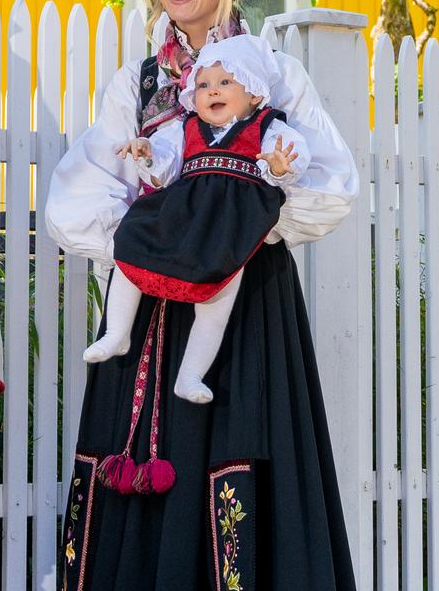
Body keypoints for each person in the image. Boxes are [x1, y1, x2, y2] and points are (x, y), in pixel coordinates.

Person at [38, 0, 369, 591]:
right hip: (151, 311)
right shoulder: (137, 82)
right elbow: (84, 189)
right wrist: (151, 238)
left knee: (233, 489)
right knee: (168, 493)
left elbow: (327, 182)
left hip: (243, 305)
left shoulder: (277, 73)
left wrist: (240, 222)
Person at [81, 35, 306, 408]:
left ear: (253, 94)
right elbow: (167, 160)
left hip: (231, 221)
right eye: (203, 85)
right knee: (132, 242)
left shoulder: (268, 127)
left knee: (218, 293)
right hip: (184, 212)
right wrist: (148, 152)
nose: (212, 91)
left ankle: (191, 374)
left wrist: (281, 167)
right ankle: (117, 332)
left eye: (224, 83)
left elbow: (292, 155)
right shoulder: (185, 127)